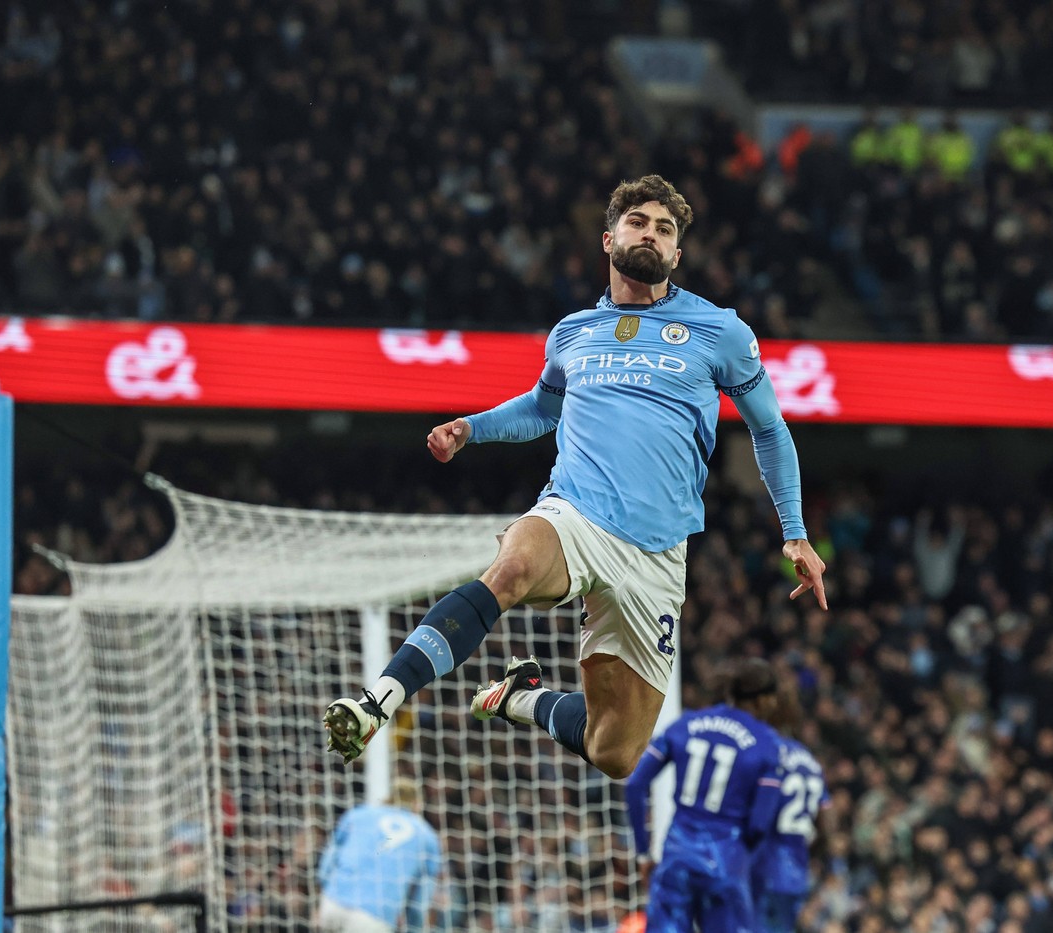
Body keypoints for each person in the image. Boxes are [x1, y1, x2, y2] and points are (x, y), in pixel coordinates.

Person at [325, 174, 828, 779]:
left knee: (615, 751)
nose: (651, 235)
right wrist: (472, 429)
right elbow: (542, 408)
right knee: (510, 569)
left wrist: (795, 531)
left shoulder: (719, 331)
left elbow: (769, 430)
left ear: (677, 254)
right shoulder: (572, 333)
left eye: (664, 230)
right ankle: (379, 699)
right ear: (609, 237)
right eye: (639, 223)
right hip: (575, 512)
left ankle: (520, 696)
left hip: (658, 551)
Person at [623, 658, 786, 932]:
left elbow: (635, 785)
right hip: (725, 866)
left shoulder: (686, 724)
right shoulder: (767, 743)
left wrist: (643, 853)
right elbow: (760, 824)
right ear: (763, 700)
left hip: (677, 860)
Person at [315, 779, 443, 933]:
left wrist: (323, 896)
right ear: (417, 804)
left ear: (388, 798)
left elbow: (327, 864)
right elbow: (421, 898)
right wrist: (413, 927)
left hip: (333, 904)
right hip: (374, 917)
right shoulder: (426, 836)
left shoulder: (358, 814)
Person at [749, 694, 829, 933]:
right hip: (796, 872)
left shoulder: (767, 752)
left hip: (764, 865)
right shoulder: (810, 761)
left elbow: (757, 814)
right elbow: (826, 822)